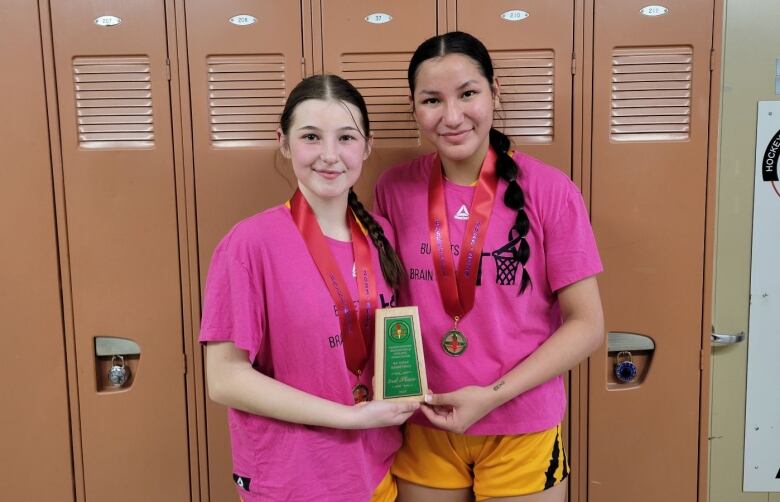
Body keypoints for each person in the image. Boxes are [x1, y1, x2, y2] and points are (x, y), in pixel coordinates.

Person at [374, 32, 605, 502]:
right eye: (432, 100)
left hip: (521, 425)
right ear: (414, 107)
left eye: (468, 93)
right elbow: (383, 303)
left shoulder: (551, 191)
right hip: (426, 423)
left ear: (494, 92)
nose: (452, 116)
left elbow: (587, 324)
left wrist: (493, 395)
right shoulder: (394, 189)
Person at [200, 74, 419, 502]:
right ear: (284, 142)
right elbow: (224, 379)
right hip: (295, 481)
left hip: (375, 472)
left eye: (346, 138)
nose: (330, 156)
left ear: (368, 146)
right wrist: (350, 418)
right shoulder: (250, 244)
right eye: (311, 137)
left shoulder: (383, 237)